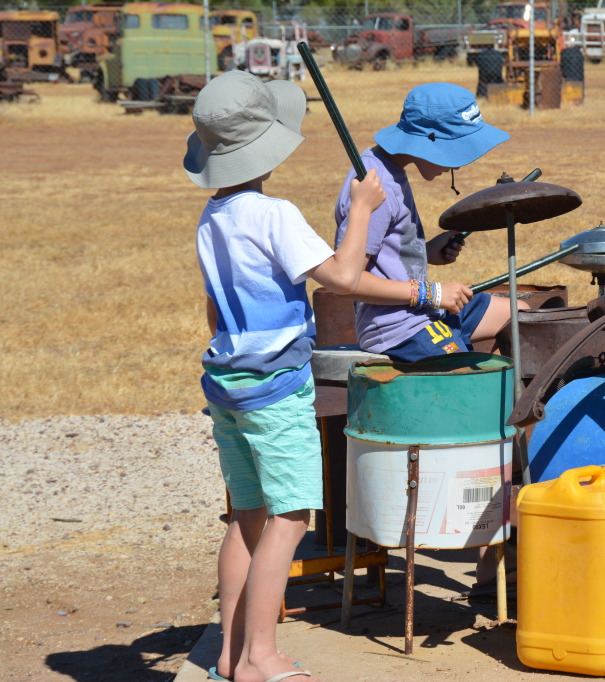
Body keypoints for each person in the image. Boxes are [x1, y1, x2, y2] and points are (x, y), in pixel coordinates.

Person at [184, 70, 385, 682]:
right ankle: (260, 658)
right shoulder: (274, 214)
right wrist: (362, 211)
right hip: (275, 388)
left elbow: (216, 311)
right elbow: (344, 279)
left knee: (247, 518)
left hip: (228, 383)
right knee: (292, 516)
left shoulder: (211, 218)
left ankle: (230, 651)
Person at [333, 82, 522, 586]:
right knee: (478, 385)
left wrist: (430, 253)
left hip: (427, 310)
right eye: (455, 154)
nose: (456, 168)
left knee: (523, 316)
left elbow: (392, 259)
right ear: (427, 140)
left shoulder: (394, 172)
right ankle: (489, 549)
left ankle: (521, 425)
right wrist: (429, 293)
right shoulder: (373, 186)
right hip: (401, 329)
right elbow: (350, 277)